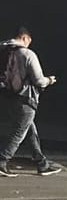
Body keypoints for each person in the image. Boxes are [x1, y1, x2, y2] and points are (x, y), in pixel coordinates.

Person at [0, 26, 62, 177]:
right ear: (25, 38)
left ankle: (42, 164)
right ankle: (2, 161)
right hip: (25, 98)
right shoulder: (27, 54)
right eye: (29, 40)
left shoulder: (3, 51)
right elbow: (39, 81)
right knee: (19, 132)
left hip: (7, 96)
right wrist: (49, 80)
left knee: (29, 130)